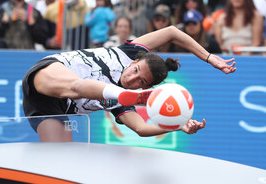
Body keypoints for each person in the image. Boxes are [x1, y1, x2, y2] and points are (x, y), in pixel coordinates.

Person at [22, 25, 236, 142]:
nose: (131, 79)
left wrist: (176, 125)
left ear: (145, 89)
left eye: (140, 81)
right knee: (77, 86)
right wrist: (209, 57)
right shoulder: (130, 50)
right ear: (135, 60)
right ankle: (114, 92)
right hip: (52, 72)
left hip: (50, 107)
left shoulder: (122, 105)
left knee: (63, 173)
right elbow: (172, 32)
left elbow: (141, 128)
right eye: (135, 70)